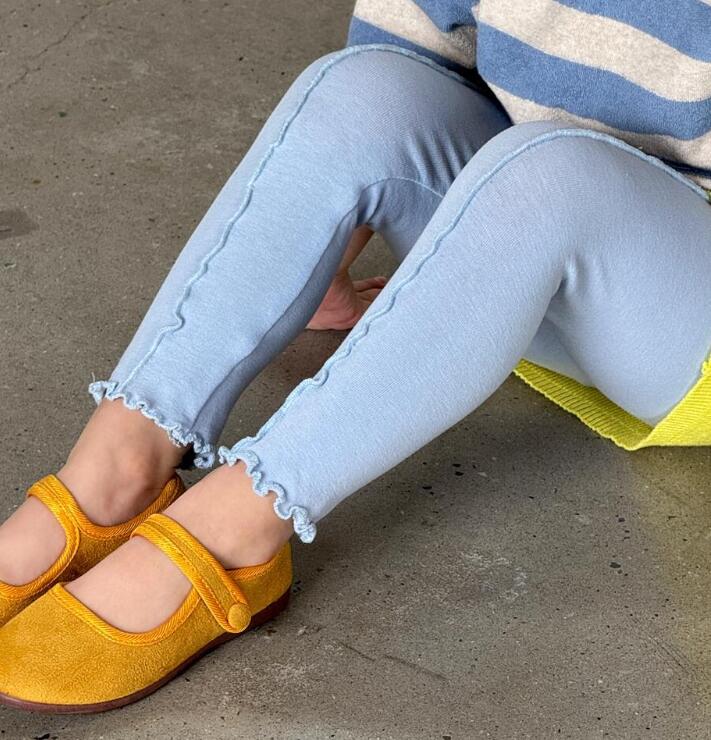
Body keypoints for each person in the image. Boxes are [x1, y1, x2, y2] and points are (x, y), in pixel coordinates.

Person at [1, 0, 710, 713]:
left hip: (677, 309)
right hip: (520, 234)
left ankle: (235, 528)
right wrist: (318, 260)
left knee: (553, 174)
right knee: (366, 85)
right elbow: (419, 54)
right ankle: (117, 468)